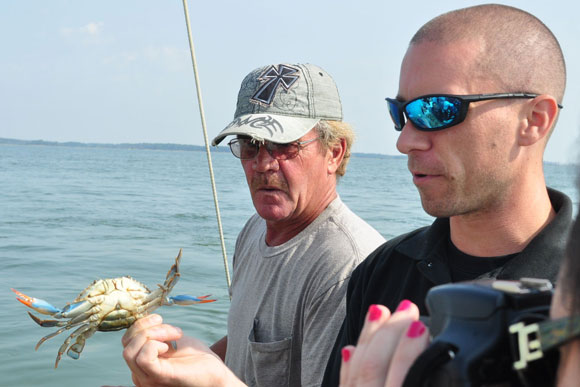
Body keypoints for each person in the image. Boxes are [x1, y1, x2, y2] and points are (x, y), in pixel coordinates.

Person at [322, 4, 573, 385]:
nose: (406, 141)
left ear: (533, 121)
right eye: (401, 112)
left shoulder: (572, 288)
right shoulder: (383, 272)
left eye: (438, 109)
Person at [121, 63, 385, 386]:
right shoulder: (253, 231)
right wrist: (181, 364)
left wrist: (215, 381)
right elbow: (247, 347)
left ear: (334, 152)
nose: (262, 164)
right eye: (250, 145)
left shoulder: (348, 266)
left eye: (284, 146)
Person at [339, 174, 580, 386]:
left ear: (534, 121)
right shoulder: (382, 266)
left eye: (443, 118)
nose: (406, 142)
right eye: (399, 120)